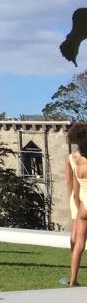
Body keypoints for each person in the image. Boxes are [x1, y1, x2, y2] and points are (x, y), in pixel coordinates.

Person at [67, 122, 87, 287]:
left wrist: (78, 205)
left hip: (83, 206)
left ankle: (73, 279)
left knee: (79, 243)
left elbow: (75, 191)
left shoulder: (78, 167)